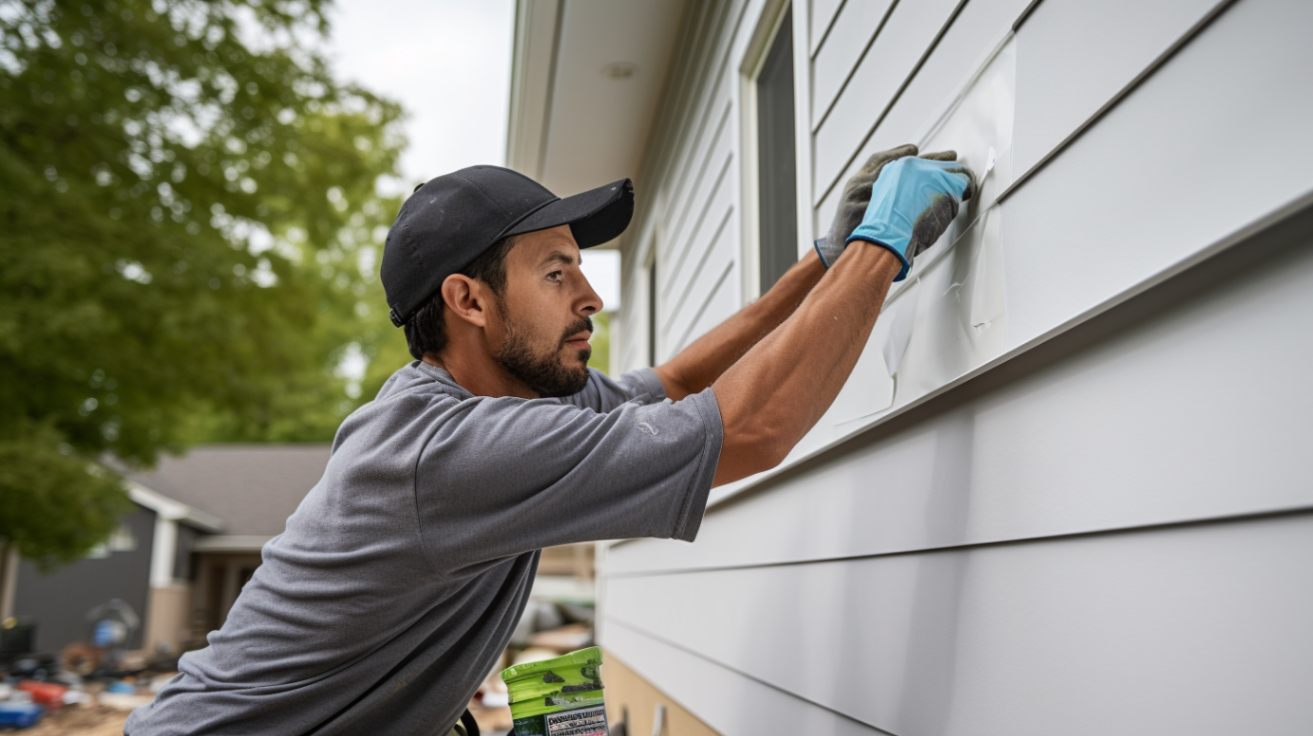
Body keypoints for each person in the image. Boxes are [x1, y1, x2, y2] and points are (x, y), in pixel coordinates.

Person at [125, 144, 972, 735]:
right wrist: (880, 247)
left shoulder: (506, 405)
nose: (591, 296)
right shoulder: (451, 451)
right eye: (556, 271)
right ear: (468, 301)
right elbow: (749, 427)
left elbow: (674, 386)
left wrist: (820, 267)